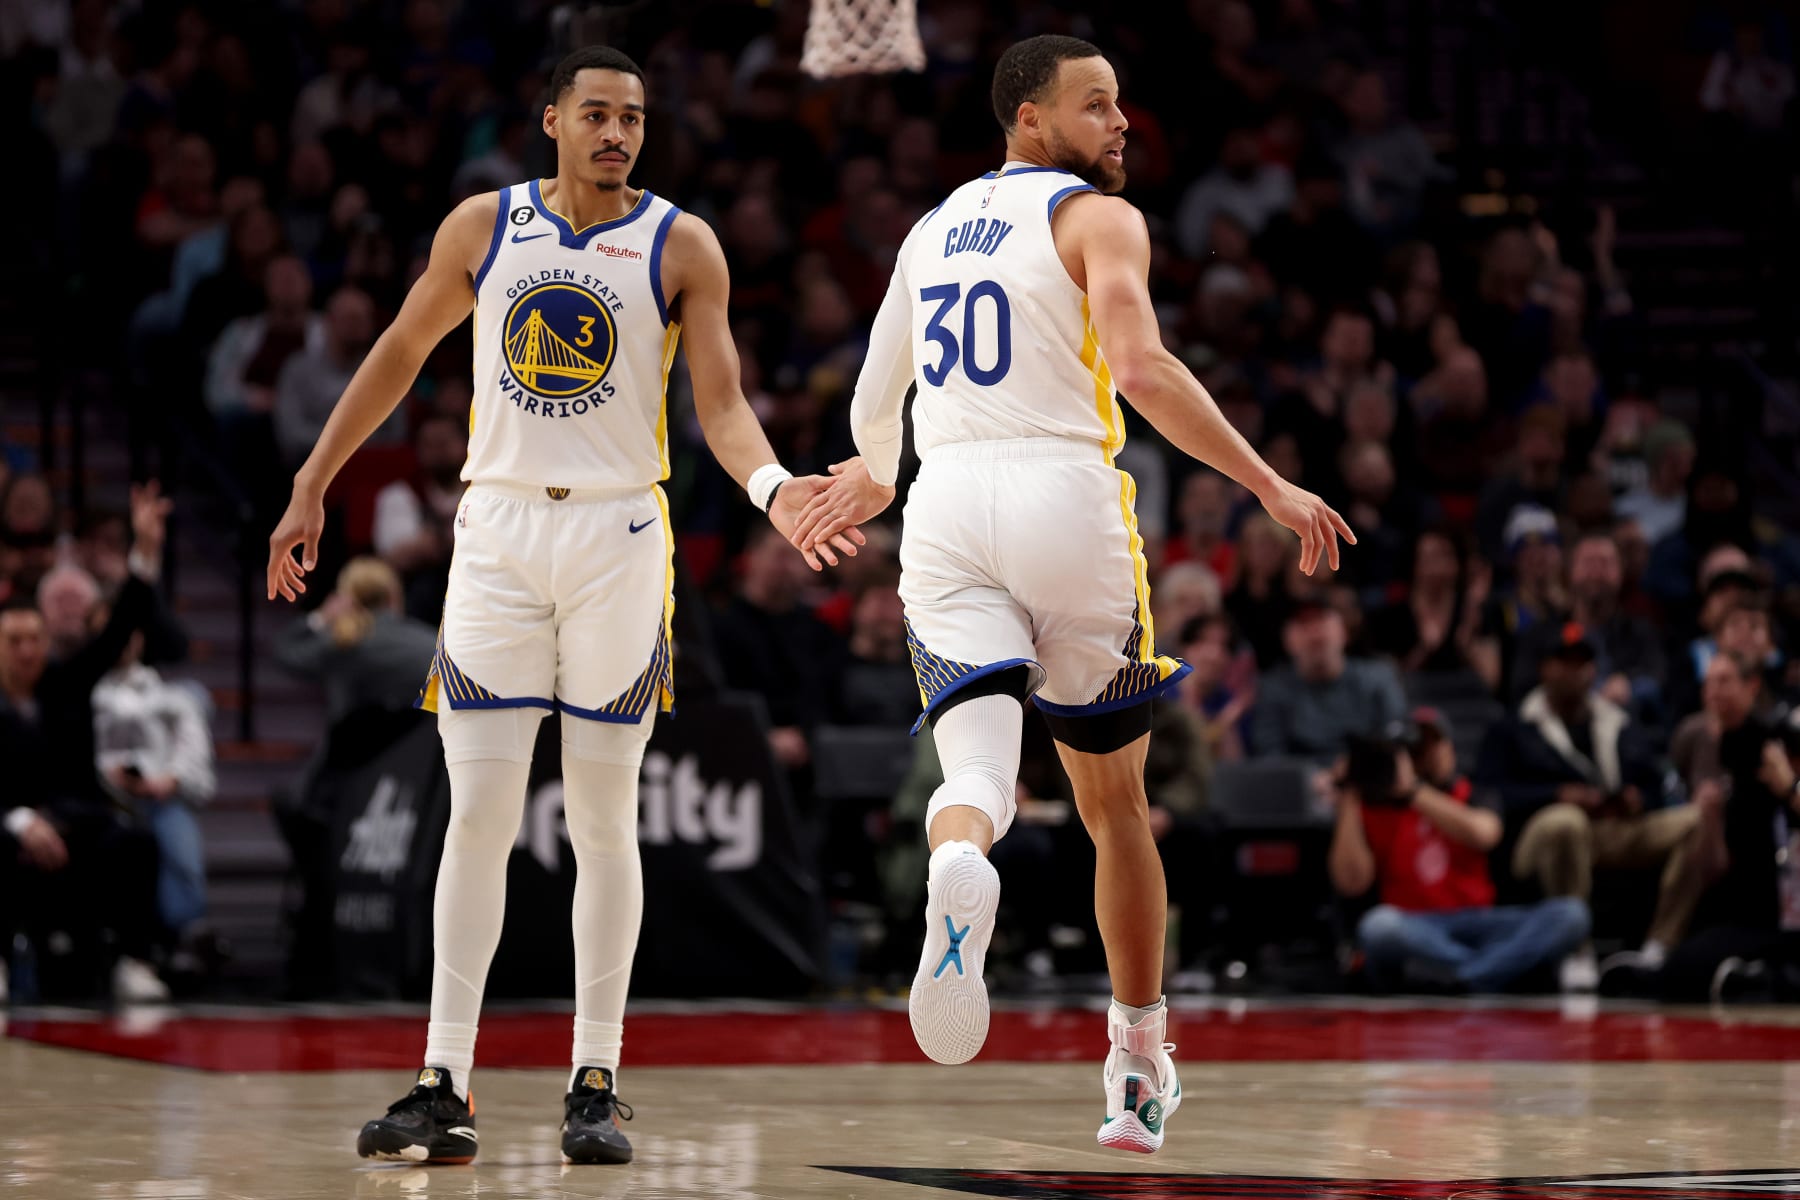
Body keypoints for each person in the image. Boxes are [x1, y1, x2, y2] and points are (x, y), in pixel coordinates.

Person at [266, 46, 861, 1167]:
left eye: (633, 118)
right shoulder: (481, 228)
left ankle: (597, 1077)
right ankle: (445, 1082)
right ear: (550, 120)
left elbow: (722, 406)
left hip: (619, 536)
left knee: (601, 817)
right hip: (495, 536)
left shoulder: (682, 243)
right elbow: (399, 351)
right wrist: (314, 480)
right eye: (595, 114)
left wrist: (778, 491)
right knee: (477, 820)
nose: (617, 134)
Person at [790, 34, 1351, 1154]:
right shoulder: (1098, 219)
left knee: (976, 777)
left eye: (1120, 105)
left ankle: (960, 867)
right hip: (1063, 498)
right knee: (1114, 811)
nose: (1120, 122)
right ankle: (1136, 1068)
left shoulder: (929, 227)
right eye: (1095, 106)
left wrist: (878, 473)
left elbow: (872, 400)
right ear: (1030, 121)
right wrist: (1270, 484)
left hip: (943, 508)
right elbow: (1141, 373)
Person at [1478, 623, 1699, 987]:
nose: (1574, 671)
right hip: (1539, 838)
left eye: (1582, 662)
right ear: (1544, 668)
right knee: (1566, 821)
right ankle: (1573, 947)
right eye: (1564, 661)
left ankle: (1660, 946)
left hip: (1610, 830)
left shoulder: (1618, 722)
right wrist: (1555, 795)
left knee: (1694, 821)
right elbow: (1492, 794)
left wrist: (1636, 799)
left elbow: (1655, 785)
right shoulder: (1514, 727)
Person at [1330, 710, 1589, 993]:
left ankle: (1461, 976)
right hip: (1417, 927)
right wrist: (1350, 795)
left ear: (1450, 748)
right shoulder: (1375, 808)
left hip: (1483, 922)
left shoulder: (1474, 793)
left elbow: (1484, 834)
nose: (1424, 756)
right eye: (1414, 750)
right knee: (1378, 927)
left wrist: (1414, 792)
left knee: (1570, 914)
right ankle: (1491, 972)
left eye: (1432, 744)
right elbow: (1351, 882)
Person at [1251, 600, 1406, 768]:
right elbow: (1269, 755)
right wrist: (1311, 778)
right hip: (1300, 787)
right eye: (1304, 625)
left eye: (1322, 622)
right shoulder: (1273, 689)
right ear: (1288, 640)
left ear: (1344, 632)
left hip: (1369, 780)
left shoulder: (1378, 678)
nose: (1315, 632)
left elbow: (1396, 735)